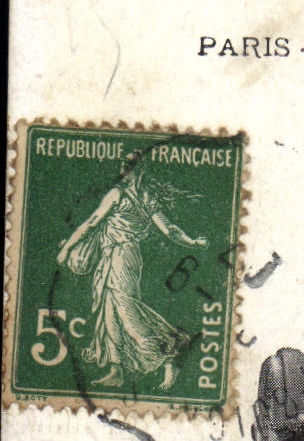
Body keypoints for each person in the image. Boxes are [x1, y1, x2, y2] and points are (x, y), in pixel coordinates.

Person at [53, 156, 208, 388]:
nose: (123, 167)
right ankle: (116, 371)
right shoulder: (132, 196)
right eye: (123, 164)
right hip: (113, 257)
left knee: (126, 311)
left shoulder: (136, 197)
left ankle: (171, 351)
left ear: (140, 168)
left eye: (130, 164)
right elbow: (92, 222)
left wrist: (192, 242)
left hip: (123, 257)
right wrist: (68, 249)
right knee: (110, 311)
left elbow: (169, 230)